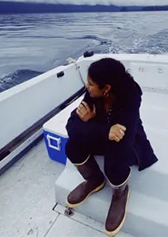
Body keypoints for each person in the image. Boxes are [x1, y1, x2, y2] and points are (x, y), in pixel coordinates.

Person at [65, 58, 158, 236]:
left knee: (114, 161)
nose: (87, 86)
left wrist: (90, 125)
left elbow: (124, 140)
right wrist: (102, 130)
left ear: (106, 88)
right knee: (72, 146)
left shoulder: (131, 95)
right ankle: (95, 180)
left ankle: (120, 192)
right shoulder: (92, 94)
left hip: (130, 142)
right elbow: (71, 126)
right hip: (104, 133)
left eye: (91, 83)